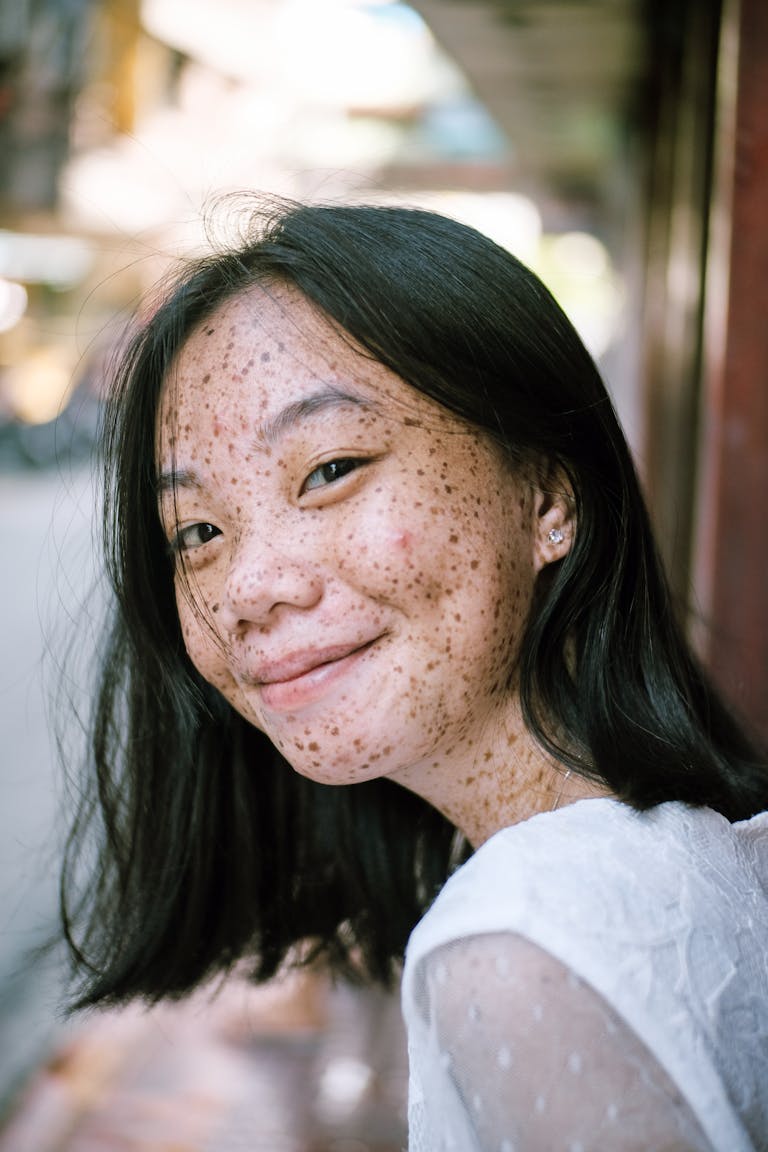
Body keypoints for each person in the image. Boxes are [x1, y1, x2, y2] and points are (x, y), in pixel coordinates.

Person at [61, 200, 768, 1151]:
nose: (250, 589)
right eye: (198, 532)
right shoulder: (695, 855)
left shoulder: (520, 950)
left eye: (330, 469)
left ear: (549, 495)